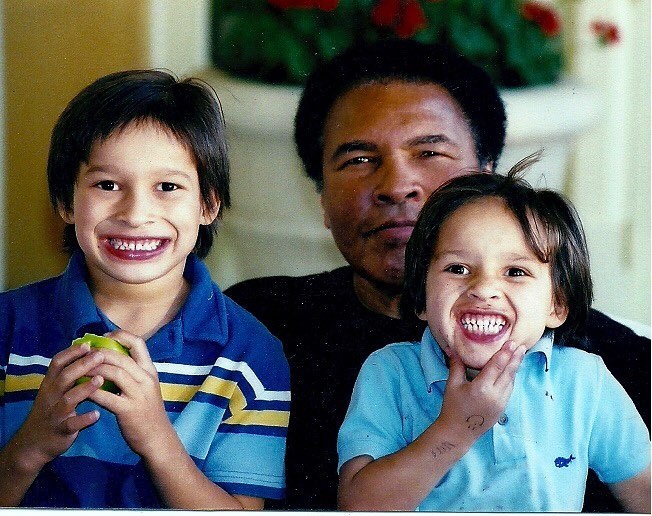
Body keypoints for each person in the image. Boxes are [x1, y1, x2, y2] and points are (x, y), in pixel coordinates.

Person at [224, 39, 650, 511]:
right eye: (359, 160)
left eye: (429, 153)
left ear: (487, 176)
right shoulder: (254, 327)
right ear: (322, 197)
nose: (396, 186)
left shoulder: (595, 362)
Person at [0, 70, 290, 509]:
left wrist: (157, 438)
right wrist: (31, 445)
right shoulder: (8, 327)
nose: (136, 214)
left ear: (208, 204)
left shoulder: (249, 356)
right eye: (108, 185)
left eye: (168, 187)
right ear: (65, 202)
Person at [336, 158, 650, 512]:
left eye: (515, 271)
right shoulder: (389, 372)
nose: (483, 288)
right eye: (457, 268)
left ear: (557, 305)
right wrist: (457, 429)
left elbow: (644, 491)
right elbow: (359, 507)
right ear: (422, 297)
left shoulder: (584, 382)